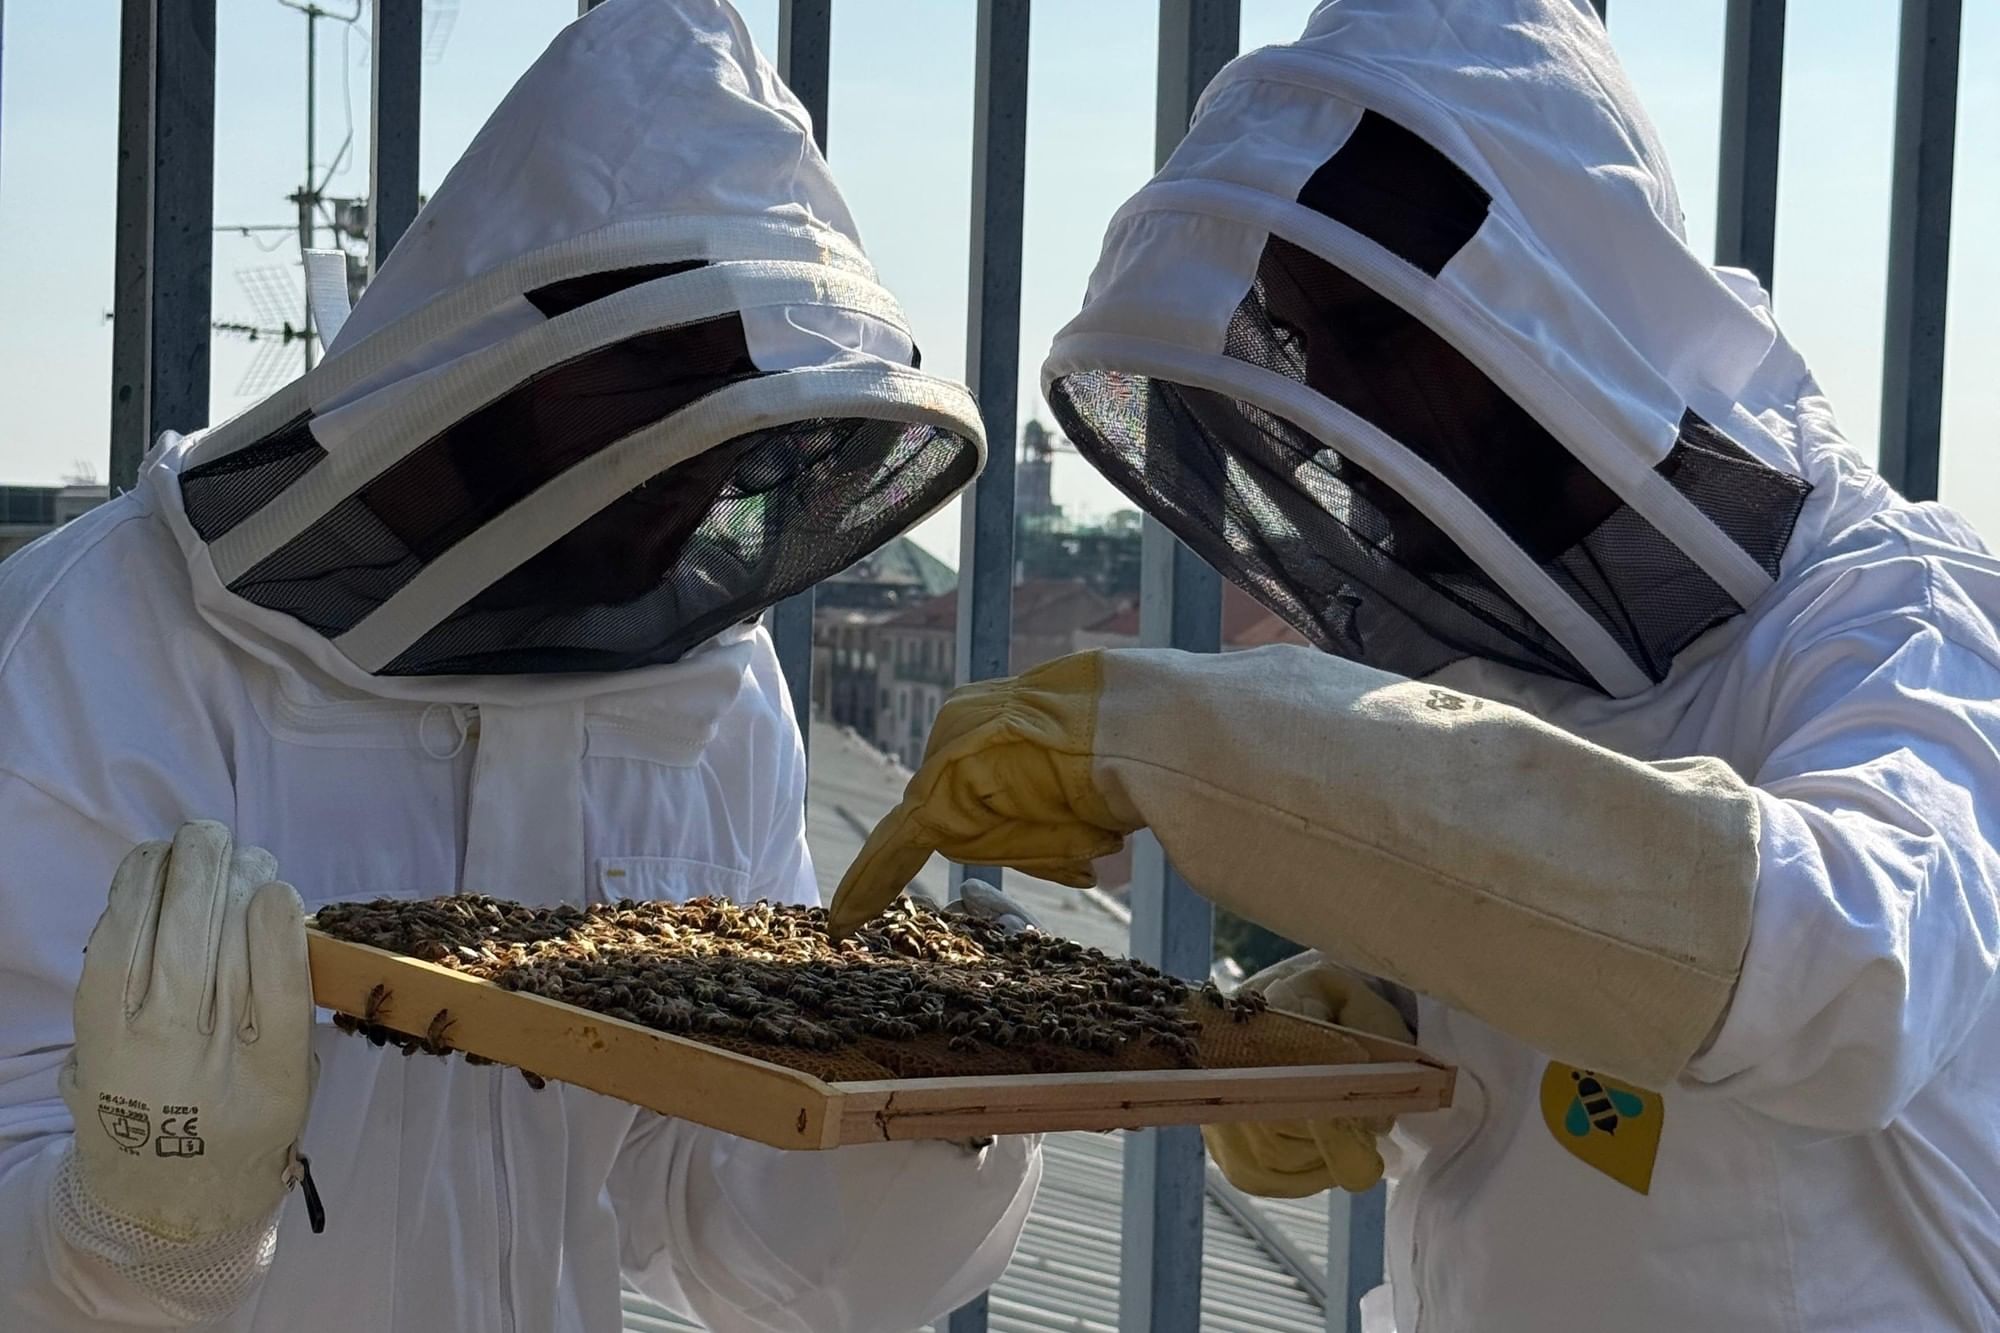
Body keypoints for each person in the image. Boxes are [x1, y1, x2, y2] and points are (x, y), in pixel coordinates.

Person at [827, 0, 1999, 1328]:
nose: (1340, 410)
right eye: (1304, 345)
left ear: (1554, 308)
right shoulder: (1510, 647)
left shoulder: (1906, 625)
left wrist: (1194, 747)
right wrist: (1405, 1019)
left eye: (1375, 335)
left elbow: (1839, 971)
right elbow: (1561, 898)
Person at [0, 2, 1041, 1329]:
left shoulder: (711, 695)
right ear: (493, 348)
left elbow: (730, 1232)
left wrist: (934, 1105)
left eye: (737, 414)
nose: (695, 468)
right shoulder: (90, 652)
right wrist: (136, 1231)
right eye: (653, 383)